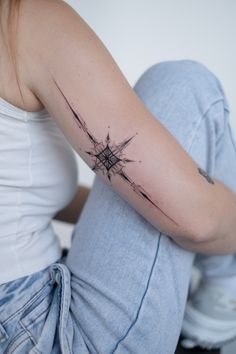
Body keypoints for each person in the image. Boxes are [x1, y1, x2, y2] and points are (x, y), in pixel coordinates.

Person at [0, 0, 236, 353]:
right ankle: (224, 296)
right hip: (43, 334)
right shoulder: (20, 16)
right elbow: (195, 221)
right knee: (182, 84)